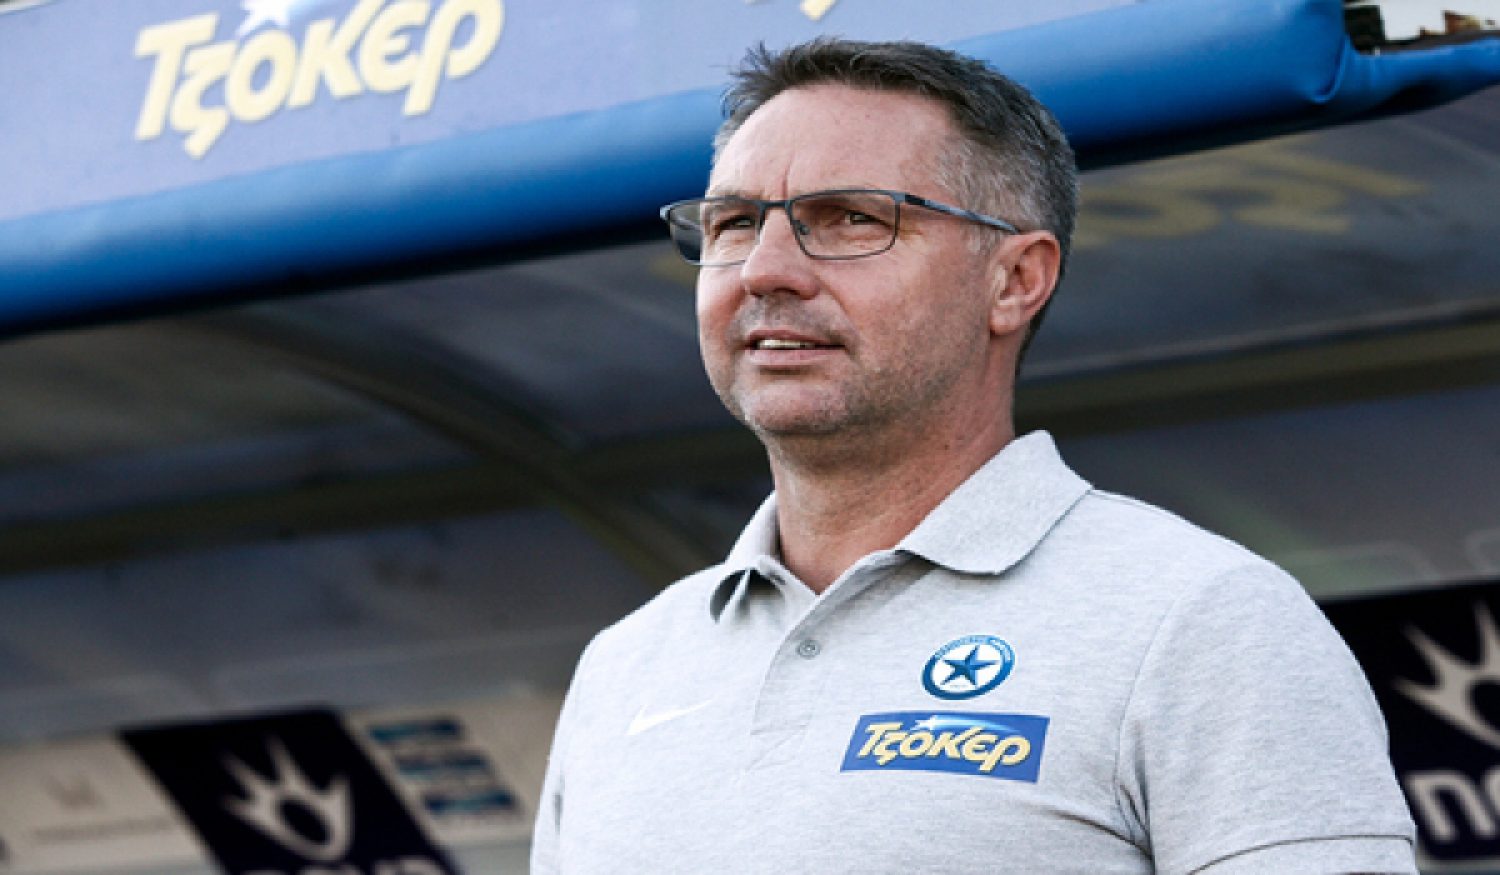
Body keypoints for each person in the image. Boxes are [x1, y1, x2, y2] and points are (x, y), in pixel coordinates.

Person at [531, 38, 1416, 873]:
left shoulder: (1205, 620)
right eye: (733, 223)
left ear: (1016, 279)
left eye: (850, 218)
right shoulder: (626, 666)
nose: (764, 270)